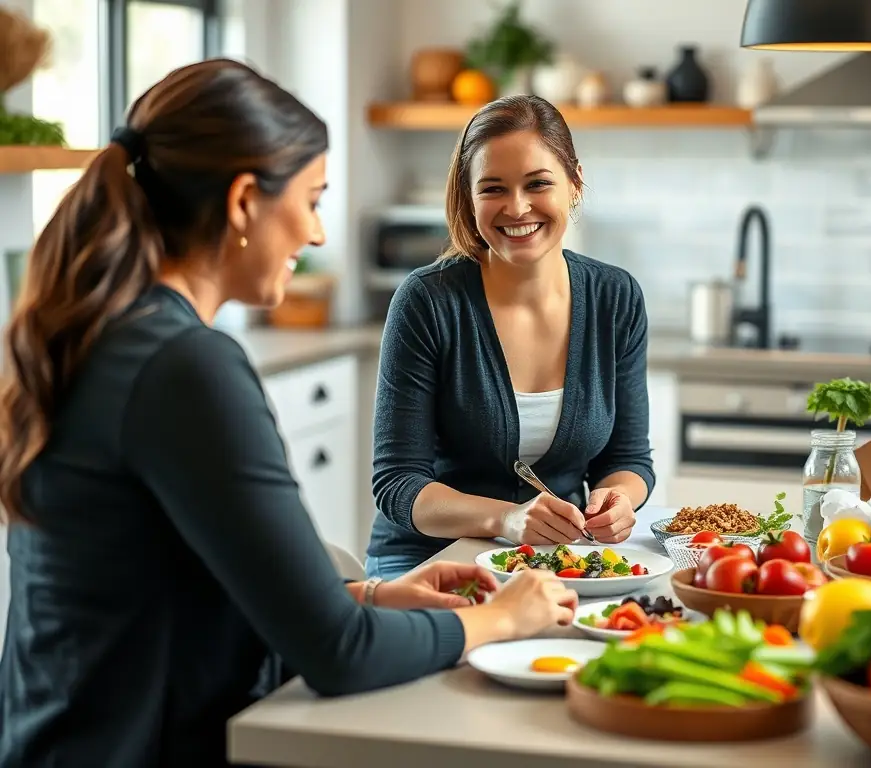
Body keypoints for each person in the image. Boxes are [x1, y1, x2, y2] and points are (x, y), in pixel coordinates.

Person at [0, 60, 578, 768]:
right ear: (245, 202)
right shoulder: (185, 366)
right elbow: (339, 654)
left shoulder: (107, 335)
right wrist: (501, 619)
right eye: (311, 200)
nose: (317, 235)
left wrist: (366, 594)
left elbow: (172, 574)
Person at [365, 95, 655, 581]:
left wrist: (619, 499)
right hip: (425, 560)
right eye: (493, 188)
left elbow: (627, 459)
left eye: (538, 183)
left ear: (574, 183)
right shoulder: (427, 302)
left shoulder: (615, 297)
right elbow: (398, 484)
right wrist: (506, 518)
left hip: (554, 560)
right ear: (468, 197)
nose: (517, 207)